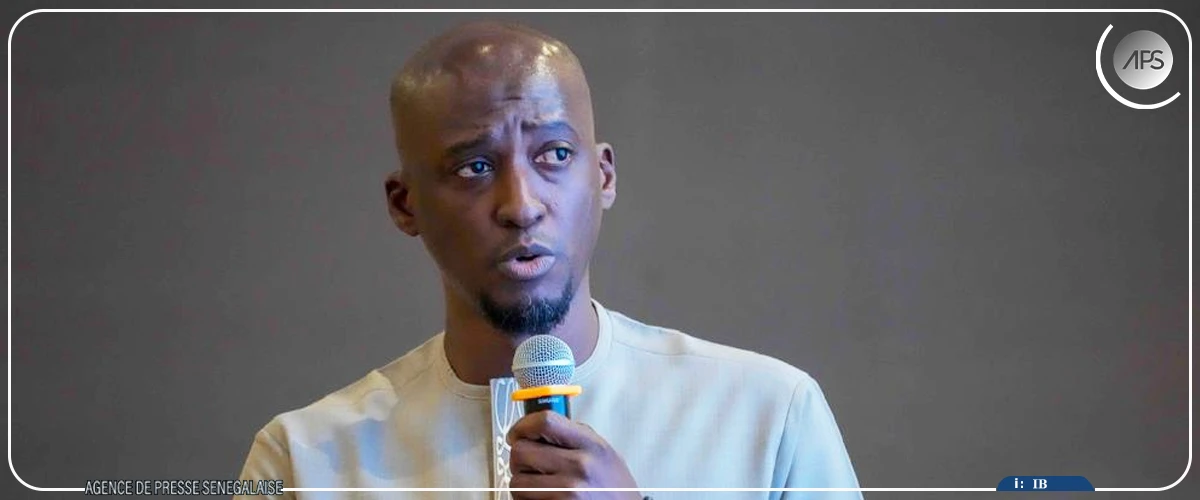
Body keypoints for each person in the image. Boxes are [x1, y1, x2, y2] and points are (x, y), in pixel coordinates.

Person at [236, 21, 862, 500]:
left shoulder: (768, 415)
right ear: (406, 205)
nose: (521, 205)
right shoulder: (302, 462)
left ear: (604, 176)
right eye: (474, 166)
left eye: (555, 155)